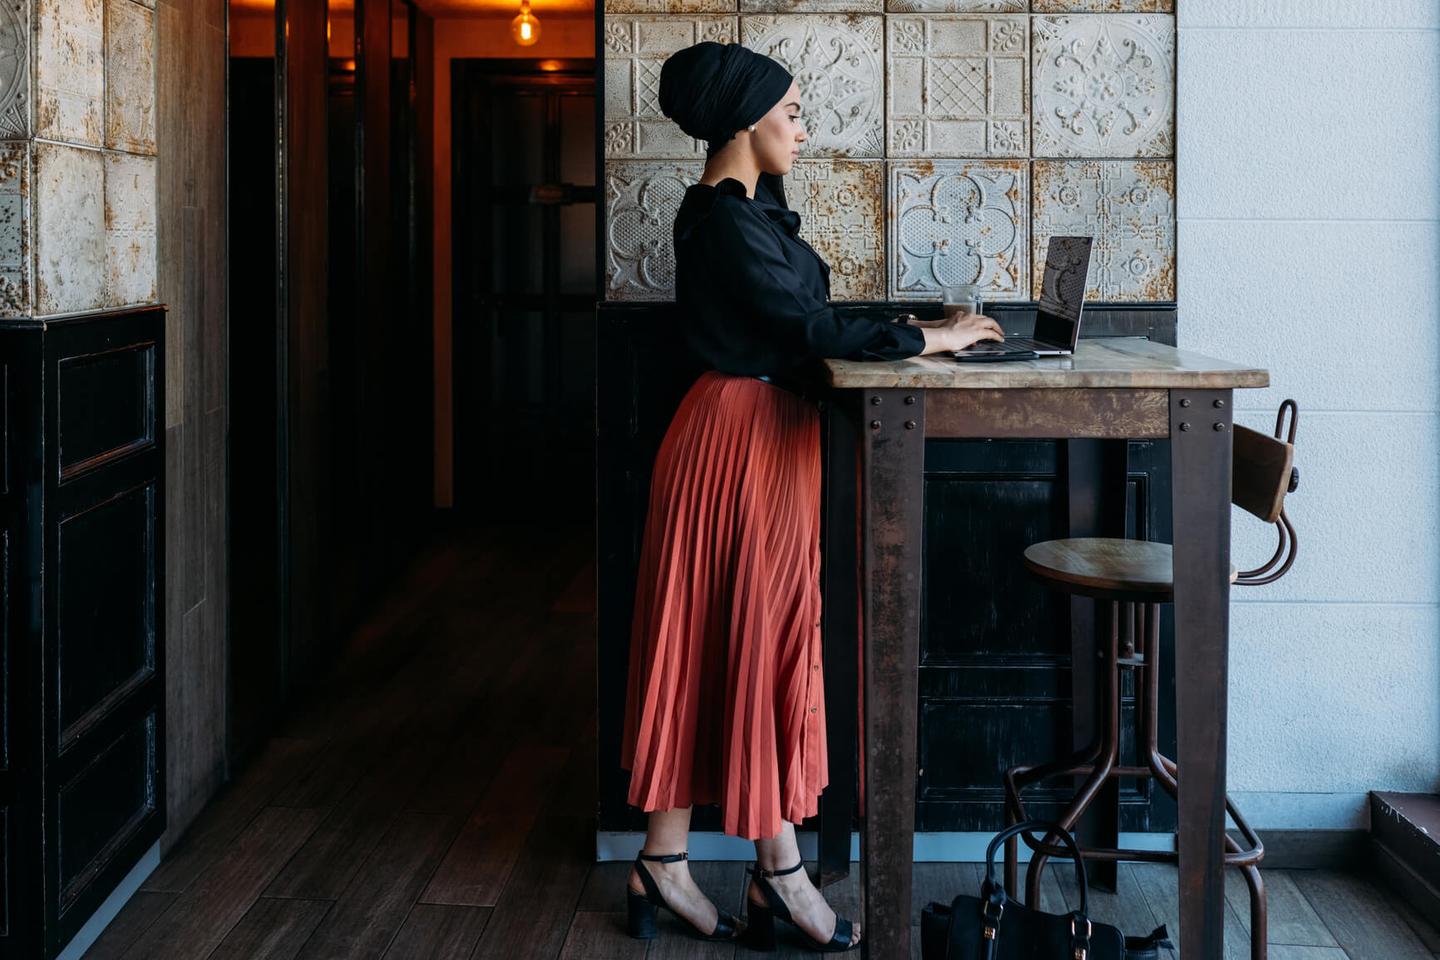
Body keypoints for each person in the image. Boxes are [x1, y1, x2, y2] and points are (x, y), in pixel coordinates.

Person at [618, 41, 1005, 953]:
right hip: (738, 445)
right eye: (792, 112)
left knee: (723, 643)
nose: (803, 128)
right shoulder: (725, 221)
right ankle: (775, 873)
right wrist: (933, 340)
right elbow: (806, 327)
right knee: (743, 644)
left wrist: (922, 329)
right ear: (748, 121)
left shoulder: (745, 214)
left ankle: (667, 860)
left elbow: (808, 318)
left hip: (753, 440)